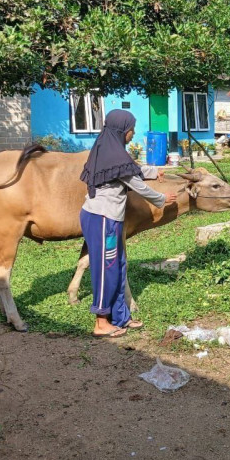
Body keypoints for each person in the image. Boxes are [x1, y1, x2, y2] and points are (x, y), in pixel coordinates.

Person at [79, 109, 177, 338]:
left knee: (119, 265)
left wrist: (153, 171)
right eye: (131, 129)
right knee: (106, 269)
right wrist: (162, 199)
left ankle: (121, 316)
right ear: (122, 130)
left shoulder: (108, 148)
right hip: (102, 218)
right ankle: (101, 322)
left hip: (108, 218)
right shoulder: (113, 154)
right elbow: (134, 182)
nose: (133, 133)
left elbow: (130, 170)